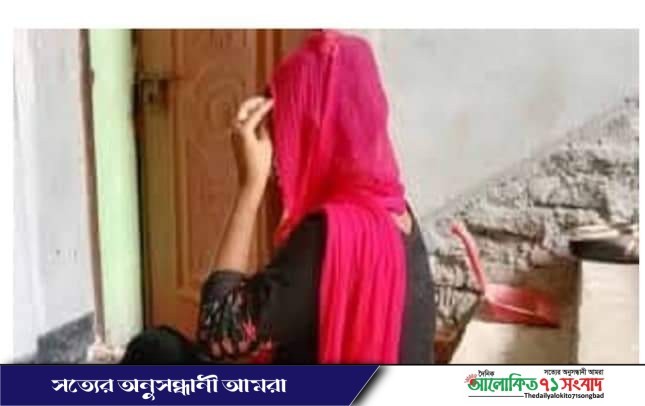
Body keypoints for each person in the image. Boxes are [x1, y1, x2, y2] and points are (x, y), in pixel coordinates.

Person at [122, 30, 435, 365]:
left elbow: (217, 332)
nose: (283, 152)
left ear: (314, 131)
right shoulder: (399, 215)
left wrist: (250, 185)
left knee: (154, 350)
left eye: (290, 125)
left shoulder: (332, 235)